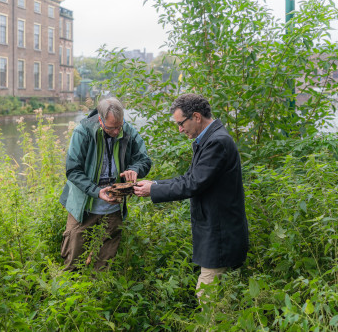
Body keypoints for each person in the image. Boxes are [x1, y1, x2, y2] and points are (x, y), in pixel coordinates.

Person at [134, 93, 249, 300]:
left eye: (181, 123)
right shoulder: (209, 139)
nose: (179, 129)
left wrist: (153, 191)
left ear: (196, 116)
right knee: (216, 297)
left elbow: (193, 184)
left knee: (206, 298)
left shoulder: (216, 142)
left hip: (220, 233)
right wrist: (155, 184)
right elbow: (190, 177)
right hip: (216, 230)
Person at [60, 96, 151, 271]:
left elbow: (144, 160)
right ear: (100, 120)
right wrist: (96, 191)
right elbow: (73, 170)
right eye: (111, 128)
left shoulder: (128, 131)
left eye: (119, 126)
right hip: (83, 206)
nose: (117, 131)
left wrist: (135, 169)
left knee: (104, 264)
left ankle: (99, 293)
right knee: (73, 262)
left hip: (114, 207)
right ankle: (72, 294)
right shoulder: (83, 132)